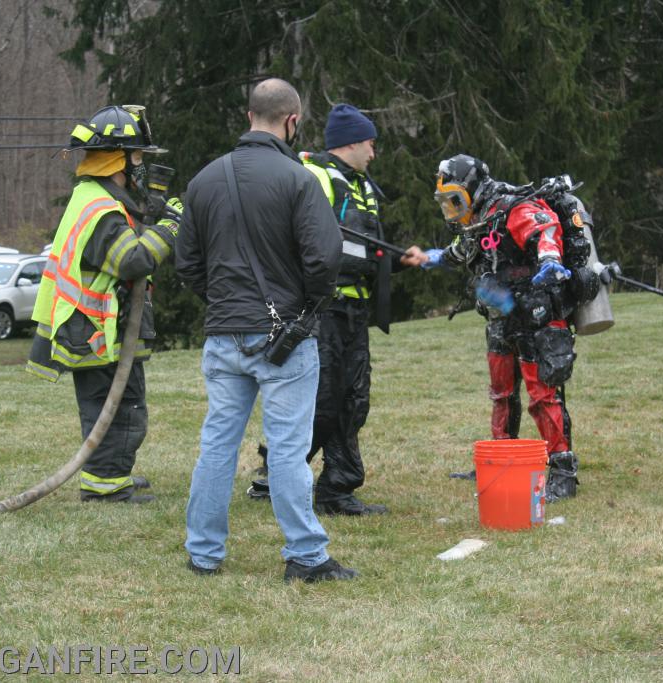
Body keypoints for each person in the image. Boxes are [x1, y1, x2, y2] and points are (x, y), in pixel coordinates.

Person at [176, 78, 356, 582]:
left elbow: (187, 264)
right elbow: (325, 259)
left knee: (217, 444)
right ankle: (304, 555)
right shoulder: (299, 180)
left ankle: (204, 553)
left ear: (249, 113)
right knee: (287, 447)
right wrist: (305, 309)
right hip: (285, 339)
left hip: (222, 333)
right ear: (292, 120)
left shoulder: (204, 180)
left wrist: (222, 302)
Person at [249, 104, 423, 515]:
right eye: (370, 143)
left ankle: (337, 490)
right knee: (322, 403)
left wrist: (398, 261)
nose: (374, 153)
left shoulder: (362, 186)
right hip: (323, 312)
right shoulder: (317, 178)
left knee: (353, 400)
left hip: (354, 313)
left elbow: (363, 249)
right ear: (351, 141)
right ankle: (275, 474)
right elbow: (306, 243)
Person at [408, 154, 604, 501]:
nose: (452, 210)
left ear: (470, 189)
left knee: (543, 395)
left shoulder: (511, 207)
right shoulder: (480, 218)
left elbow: (544, 229)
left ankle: (562, 470)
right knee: (501, 391)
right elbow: (466, 248)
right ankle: (501, 458)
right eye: (446, 203)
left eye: (455, 200)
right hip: (501, 315)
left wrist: (549, 260)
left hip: (536, 314)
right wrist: (434, 257)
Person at [26, 104, 180, 504]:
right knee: (121, 408)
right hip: (97, 330)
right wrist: (171, 227)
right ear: (120, 160)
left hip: (92, 327)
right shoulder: (103, 212)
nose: (142, 166)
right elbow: (133, 260)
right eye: (139, 157)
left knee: (112, 406)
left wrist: (149, 212)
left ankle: (110, 473)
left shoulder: (93, 197)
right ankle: (106, 485)